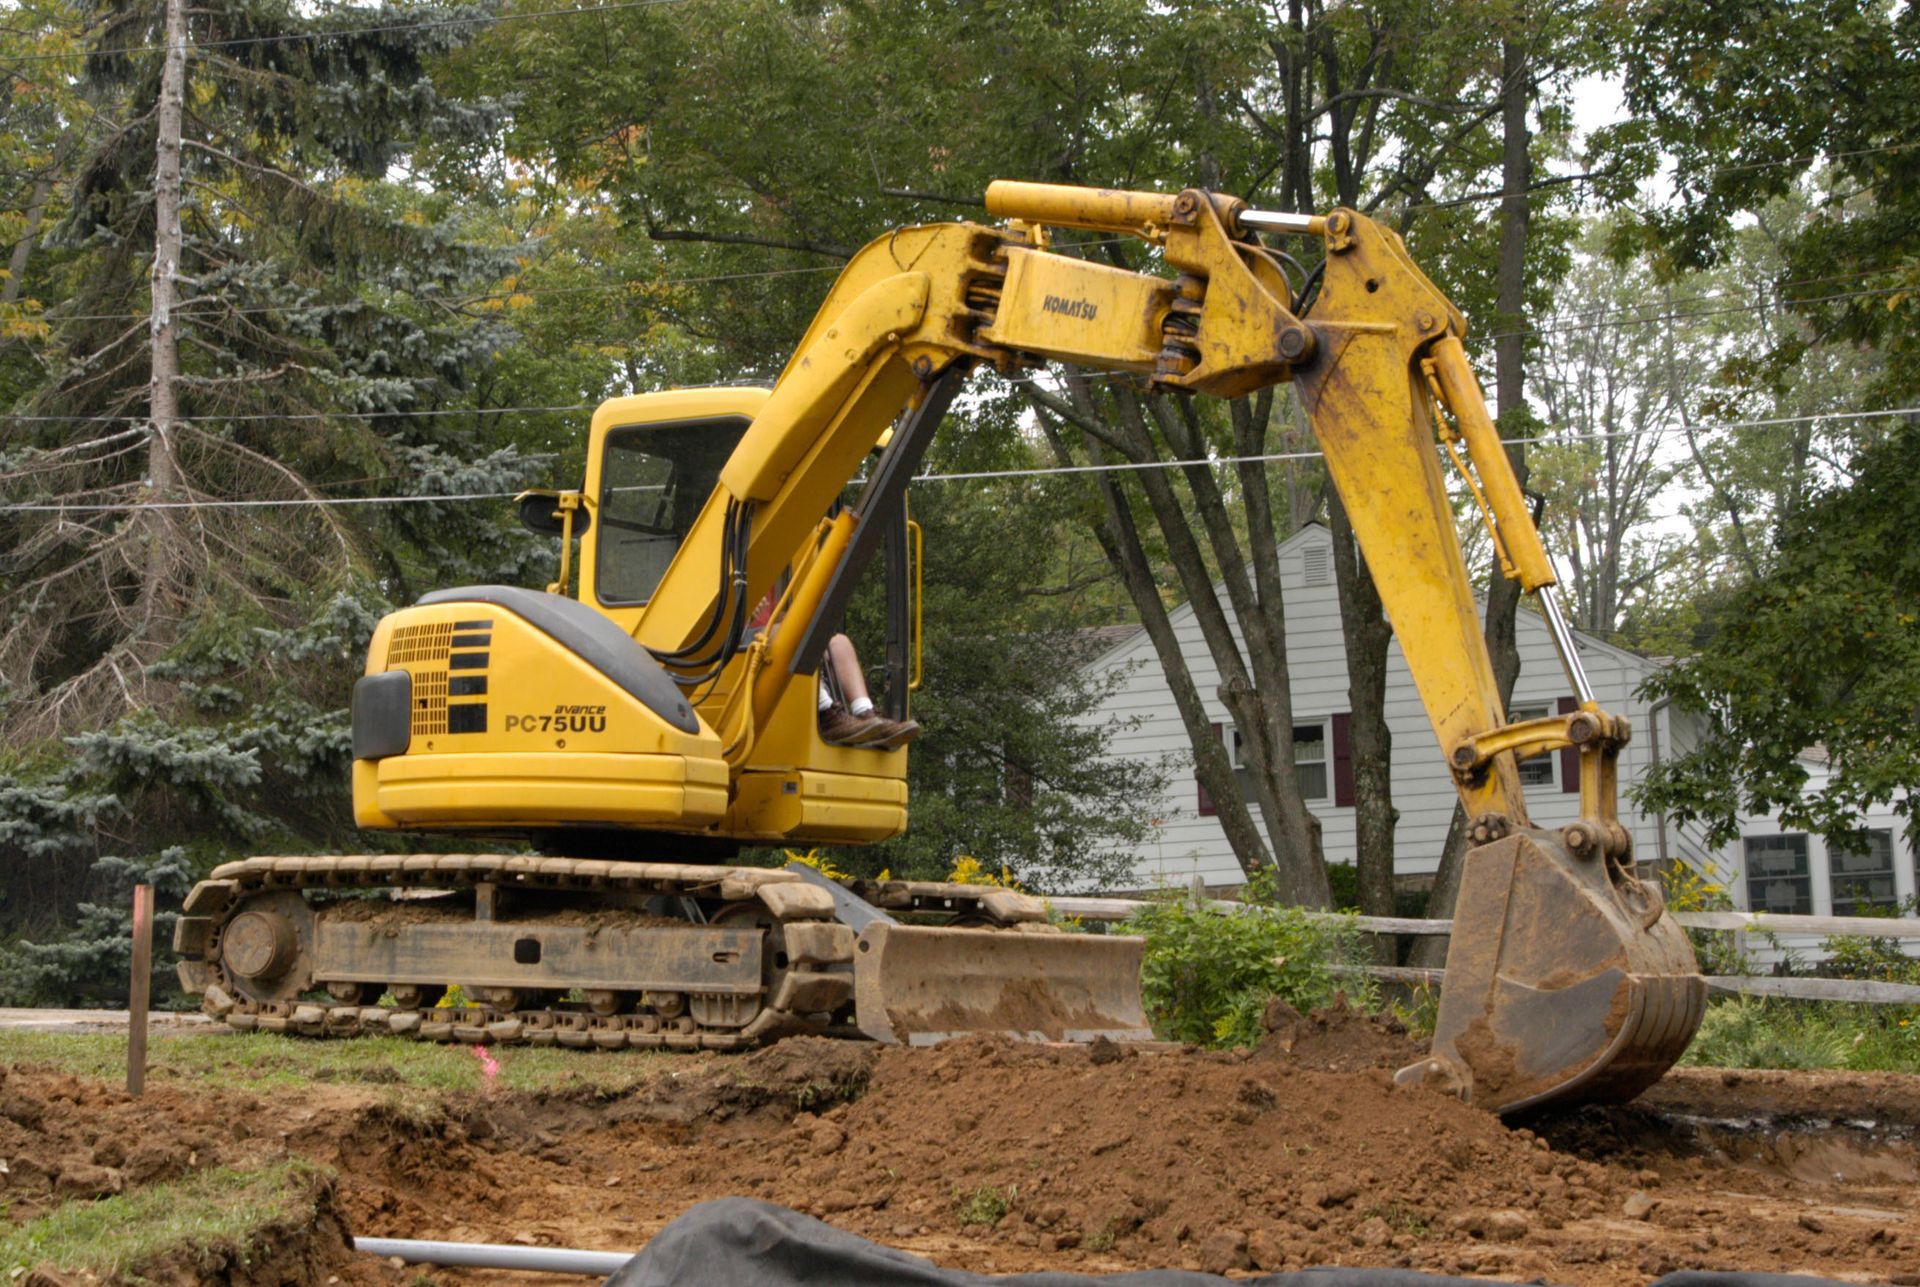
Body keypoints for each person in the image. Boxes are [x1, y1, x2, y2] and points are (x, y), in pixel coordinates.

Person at [748, 583, 920, 750]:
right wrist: (745, 615)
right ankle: (825, 713)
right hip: (744, 648)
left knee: (840, 642)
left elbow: (779, 617)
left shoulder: (768, 581)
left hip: (771, 642)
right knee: (797, 632)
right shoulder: (730, 572)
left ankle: (865, 714)